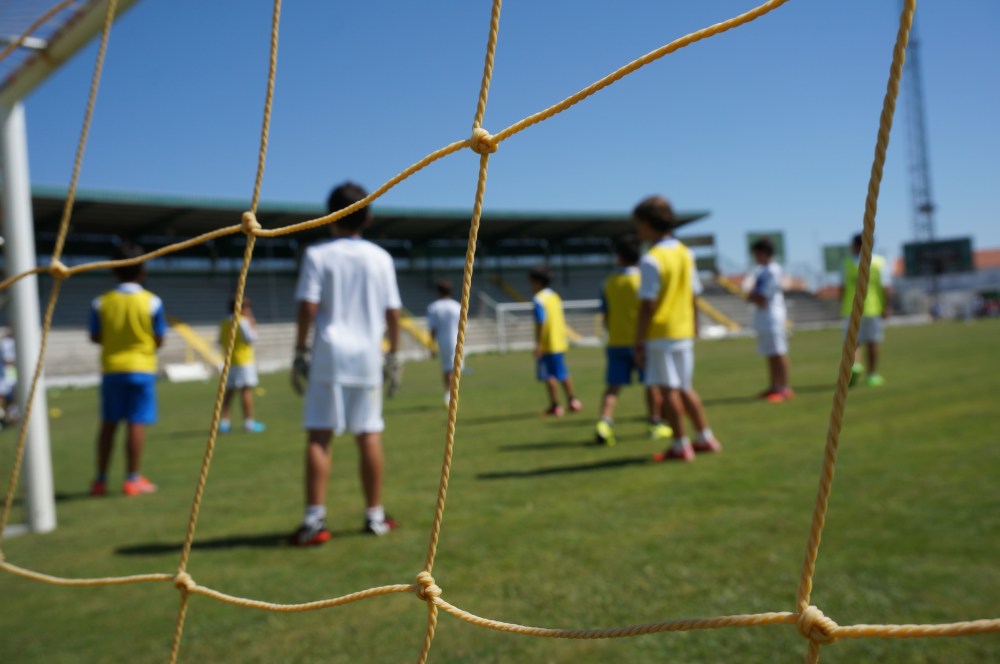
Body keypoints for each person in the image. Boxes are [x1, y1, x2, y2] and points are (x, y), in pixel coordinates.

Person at [288, 181, 401, 546]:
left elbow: (308, 306)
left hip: (328, 354)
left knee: (320, 435)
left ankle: (314, 521)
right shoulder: (380, 257)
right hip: (368, 355)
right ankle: (374, 516)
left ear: (330, 215)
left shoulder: (318, 255)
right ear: (368, 217)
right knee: (369, 433)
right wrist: (394, 354)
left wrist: (300, 350)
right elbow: (393, 312)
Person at [632, 195, 722, 462]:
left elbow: (648, 305)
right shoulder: (685, 253)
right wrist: (694, 323)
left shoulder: (651, 259)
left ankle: (680, 445)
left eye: (638, 224)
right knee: (685, 386)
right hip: (683, 330)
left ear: (648, 223)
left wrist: (638, 341)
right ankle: (705, 437)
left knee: (668, 389)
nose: (637, 231)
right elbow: (694, 293)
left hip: (661, 333)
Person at [88, 242, 165, 496]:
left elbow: (95, 336)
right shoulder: (152, 302)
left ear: (113, 270)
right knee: (136, 422)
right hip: (141, 368)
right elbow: (159, 338)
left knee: (108, 424)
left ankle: (100, 481)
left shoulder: (101, 302)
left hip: (112, 369)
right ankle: (132, 479)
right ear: (143, 270)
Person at [594, 234, 671, 446]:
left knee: (613, 387)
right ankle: (655, 423)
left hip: (616, 341)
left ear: (618, 257)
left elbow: (606, 313)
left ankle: (604, 423)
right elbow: (650, 309)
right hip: (642, 341)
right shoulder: (642, 280)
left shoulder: (608, 283)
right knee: (651, 385)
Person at [840, 233, 892, 387]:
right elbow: (887, 287)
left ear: (856, 245)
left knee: (854, 343)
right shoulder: (879, 262)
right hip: (873, 308)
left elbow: (842, 289)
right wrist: (887, 306)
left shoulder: (847, 263)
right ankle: (872, 375)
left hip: (852, 308)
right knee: (873, 342)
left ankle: (856, 365)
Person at [529, 266, 582, 417]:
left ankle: (555, 406)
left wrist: (538, 344)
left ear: (538, 282)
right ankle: (573, 401)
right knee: (563, 373)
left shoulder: (539, 299)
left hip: (547, 344)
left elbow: (541, 321)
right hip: (559, 342)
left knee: (549, 375)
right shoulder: (554, 296)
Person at [748, 237, 793, 402]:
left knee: (779, 352)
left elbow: (760, 296)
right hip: (764, 316)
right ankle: (774, 386)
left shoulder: (774, 270)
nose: (755, 258)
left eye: (756, 254)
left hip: (773, 316)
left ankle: (784, 387)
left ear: (763, 253)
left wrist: (752, 297)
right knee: (770, 353)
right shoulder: (761, 270)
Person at [217, 295, 266, 433]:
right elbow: (251, 338)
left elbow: (220, 341)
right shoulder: (242, 321)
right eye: (247, 306)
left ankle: (224, 422)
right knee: (245, 391)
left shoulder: (224, 322)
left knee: (229, 393)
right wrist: (252, 323)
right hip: (243, 361)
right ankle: (249, 422)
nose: (249, 309)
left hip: (229, 362)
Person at [426, 279, 462, 407]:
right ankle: (451, 395)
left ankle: (449, 395)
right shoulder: (457, 306)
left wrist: (432, 346)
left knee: (447, 369)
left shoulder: (434, 307)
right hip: (457, 340)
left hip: (443, 341)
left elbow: (433, 328)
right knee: (453, 368)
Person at [0, 331, 17, 428]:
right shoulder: (7, 342)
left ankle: (10, 417)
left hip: (10, 374)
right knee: (4, 396)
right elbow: (7, 361)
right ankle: (7, 417)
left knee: (11, 397)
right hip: (6, 374)